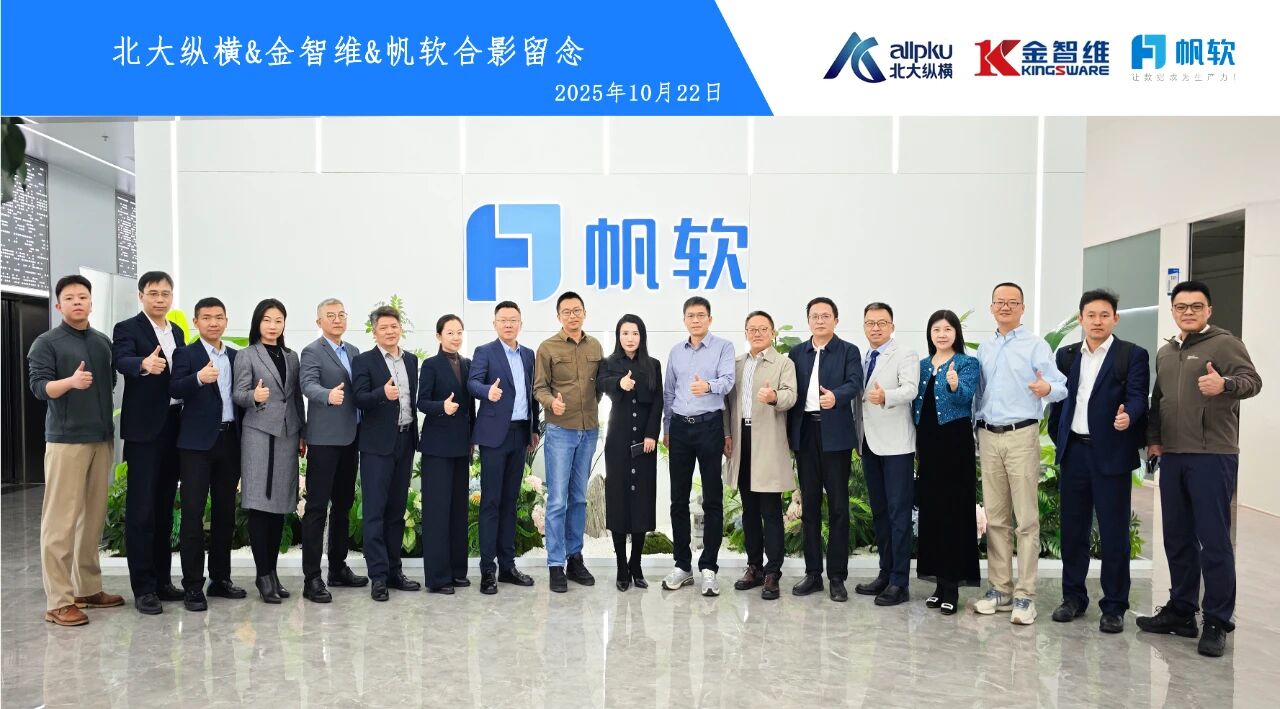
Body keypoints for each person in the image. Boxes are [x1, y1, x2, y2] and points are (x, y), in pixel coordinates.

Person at [1138, 280, 1262, 657]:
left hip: (1212, 455)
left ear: (1208, 310)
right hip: (1173, 455)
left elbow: (1253, 382)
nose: (1188, 312)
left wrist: (1224, 384)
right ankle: (1181, 611)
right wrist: (1154, 440)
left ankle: (1217, 620)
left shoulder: (1224, 343)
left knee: (1214, 539)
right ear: (1173, 311)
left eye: (1196, 306)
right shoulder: (1166, 352)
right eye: (1181, 306)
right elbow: (1158, 401)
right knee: (1177, 537)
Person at [1047, 289, 1150, 634]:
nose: (1097, 321)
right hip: (1075, 452)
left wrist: (1129, 416)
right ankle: (1073, 598)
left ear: (1115, 319)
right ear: (1081, 318)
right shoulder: (1066, 355)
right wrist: (1059, 437)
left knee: (1113, 533)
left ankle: (1114, 606)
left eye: (1105, 315)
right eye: (1090, 315)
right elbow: (1059, 401)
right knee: (1072, 530)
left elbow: (1138, 397)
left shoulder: (1131, 355)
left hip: (1111, 454)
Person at [27, 275, 124, 626]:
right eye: (69, 298)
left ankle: (87, 588)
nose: (77, 302)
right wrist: (70, 382)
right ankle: (58, 601)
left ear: (91, 302)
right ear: (58, 305)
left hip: (101, 438)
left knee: (92, 518)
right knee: (60, 522)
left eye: (83, 297)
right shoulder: (46, 343)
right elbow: (39, 388)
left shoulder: (102, 342)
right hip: (66, 441)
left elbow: (111, 382)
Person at [972, 282, 1067, 625]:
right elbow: (978, 394)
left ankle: (1026, 596)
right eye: (1000, 302)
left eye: (1013, 302)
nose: (1006, 307)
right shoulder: (985, 348)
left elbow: (1061, 386)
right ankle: (1000, 590)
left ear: (1023, 308)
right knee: (996, 519)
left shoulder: (1035, 345)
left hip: (1021, 435)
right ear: (991, 307)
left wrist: (1046, 388)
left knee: (1026, 520)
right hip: (988, 435)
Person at [111, 270, 185, 614]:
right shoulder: (128, 328)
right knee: (141, 510)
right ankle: (143, 588)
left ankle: (162, 581)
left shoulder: (178, 332)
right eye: (153, 293)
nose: (159, 299)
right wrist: (143, 363)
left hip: (174, 427)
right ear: (141, 296)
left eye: (165, 293)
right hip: (144, 431)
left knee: (165, 507)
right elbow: (120, 359)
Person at [170, 297, 247, 611]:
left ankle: (220, 578)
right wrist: (198, 379)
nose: (213, 323)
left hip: (230, 441)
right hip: (196, 446)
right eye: (206, 317)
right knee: (192, 515)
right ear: (196, 322)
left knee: (225, 514)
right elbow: (174, 389)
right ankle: (192, 586)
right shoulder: (186, 354)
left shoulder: (236, 356)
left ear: (226, 321)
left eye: (218, 317)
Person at [787, 297, 863, 602]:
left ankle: (837, 577)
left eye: (826, 316)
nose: (820, 321)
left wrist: (836, 397)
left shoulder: (848, 351)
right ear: (808, 321)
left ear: (836, 320)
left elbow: (855, 383)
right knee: (809, 507)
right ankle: (813, 574)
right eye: (815, 316)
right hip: (806, 433)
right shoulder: (797, 353)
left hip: (835, 435)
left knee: (839, 507)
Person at [232, 298, 307, 604]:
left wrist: (302, 432)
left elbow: (296, 397)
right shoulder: (247, 355)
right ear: (257, 323)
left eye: (278, 320)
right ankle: (263, 575)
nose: (273, 326)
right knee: (260, 506)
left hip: (288, 435)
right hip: (259, 435)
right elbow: (238, 394)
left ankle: (272, 573)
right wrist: (255, 395)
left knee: (280, 507)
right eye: (267, 320)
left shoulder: (291, 356)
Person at [661, 296, 735, 596]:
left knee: (712, 499)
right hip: (679, 428)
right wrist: (667, 427)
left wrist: (708, 386)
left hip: (709, 426)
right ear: (684, 320)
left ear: (710, 319)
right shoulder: (676, 352)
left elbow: (728, 382)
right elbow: (669, 392)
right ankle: (682, 566)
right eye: (690, 316)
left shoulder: (723, 347)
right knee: (678, 499)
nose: (696, 320)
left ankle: (709, 568)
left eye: (701, 315)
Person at [533, 291, 604, 593]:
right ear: (558, 316)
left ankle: (575, 558)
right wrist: (553, 403)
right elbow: (539, 388)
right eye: (566, 311)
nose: (572, 316)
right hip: (561, 431)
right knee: (558, 500)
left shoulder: (595, 346)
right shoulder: (547, 347)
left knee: (578, 498)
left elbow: (599, 387)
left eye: (577, 310)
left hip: (588, 431)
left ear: (584, 313)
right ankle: (555, 564)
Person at [298, 298, 368, 603]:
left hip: (351, 438)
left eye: (341, 315)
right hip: (325, 440)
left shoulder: (353, 351)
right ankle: (312, 578)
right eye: (330, 315)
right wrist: (328, 395)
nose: (337, 319)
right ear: (319, 322)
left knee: (343, 505)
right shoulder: (312, 351)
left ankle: (337, 568)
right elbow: (307, 385)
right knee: (316, 508)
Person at [912, 309, 981, 615]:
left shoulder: (967, 363)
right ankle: (938, 585)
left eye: (947, 329)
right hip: (928, 446)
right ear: (930, 334)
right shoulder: (922, 365)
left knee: (954, 513)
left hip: (955, 445)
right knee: (932, 513)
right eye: (936, 329)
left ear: (956, 333)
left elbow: (965, 398)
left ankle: (952, 586)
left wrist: (954, 384)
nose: (941, 334)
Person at [724, 311, 797, 601]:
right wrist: (726, 435)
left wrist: (774, 397)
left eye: (763, 328)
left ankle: (772, 572)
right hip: (741, 439)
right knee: (749, 510)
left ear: (773, 332)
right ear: (745, 333)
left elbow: (791, 395)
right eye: (752, 329)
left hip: (767, 439)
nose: (757, 333)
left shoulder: (783, 363)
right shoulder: (736, 364)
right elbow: (727, 404)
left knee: (771, 510)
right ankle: (754, 566)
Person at [468, 301, 540, 595]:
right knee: (491, 503)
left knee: (511, 502)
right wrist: (488, 391)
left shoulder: (529, 354)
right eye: (503, 320)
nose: (508, 324)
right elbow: (472, 383)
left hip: (520, 434)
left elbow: (532, 393)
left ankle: (508, 566)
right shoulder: (485, 352)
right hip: (494, 437)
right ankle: (488, 570)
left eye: (513, 319)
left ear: (521, 323)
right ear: (495, 323)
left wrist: (534, 428)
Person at [351, 305, 422, 602]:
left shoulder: (411, 360)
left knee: (396, 511)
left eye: (394, 326)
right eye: (384, 327)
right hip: (376, 447)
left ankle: (394, 571)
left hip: (405, 441)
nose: (390, 331)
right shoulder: (363, 361)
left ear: (400, 328)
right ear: (374, 332)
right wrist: (382, 393)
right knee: (375, 513)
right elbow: (359, 398)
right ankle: (378, 577)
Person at [856, 302, 920, 607]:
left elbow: (910, 389)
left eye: (882, 323)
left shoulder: (905, 354)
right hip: (869, 443)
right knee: (880, 512)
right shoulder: (862, 357)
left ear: (892, 326)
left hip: (896, 446)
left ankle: (899, 582)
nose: (876, 328)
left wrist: (886, 396)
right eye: (870, 323)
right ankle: (884, 573)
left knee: (898, 514)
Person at [597, 315, 663, 591]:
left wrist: (651, 434)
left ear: (642, 336)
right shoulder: (609, 362)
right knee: (619, 498)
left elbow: (658, 401)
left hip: (645, 442)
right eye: (625, 333)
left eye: (635, 333)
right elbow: (600, 383)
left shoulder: (653, 364)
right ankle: (621, 567)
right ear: (618, 336)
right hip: (618, 438)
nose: (630, 338)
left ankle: (636, 565)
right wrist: (618, 384)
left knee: (641, 500)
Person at [416, 314, 476, 594]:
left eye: (459, 332)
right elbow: (421, 402)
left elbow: (471, 407)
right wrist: (442, 406)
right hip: (437, 448)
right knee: (437, 512)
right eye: (450, 332)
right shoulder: (430, 365)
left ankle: (457, 571)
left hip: (461, 446)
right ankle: (438, 578)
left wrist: (473, 437)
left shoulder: (468, 364)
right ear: (439, 336)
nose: (456, 337)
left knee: (457, 511)